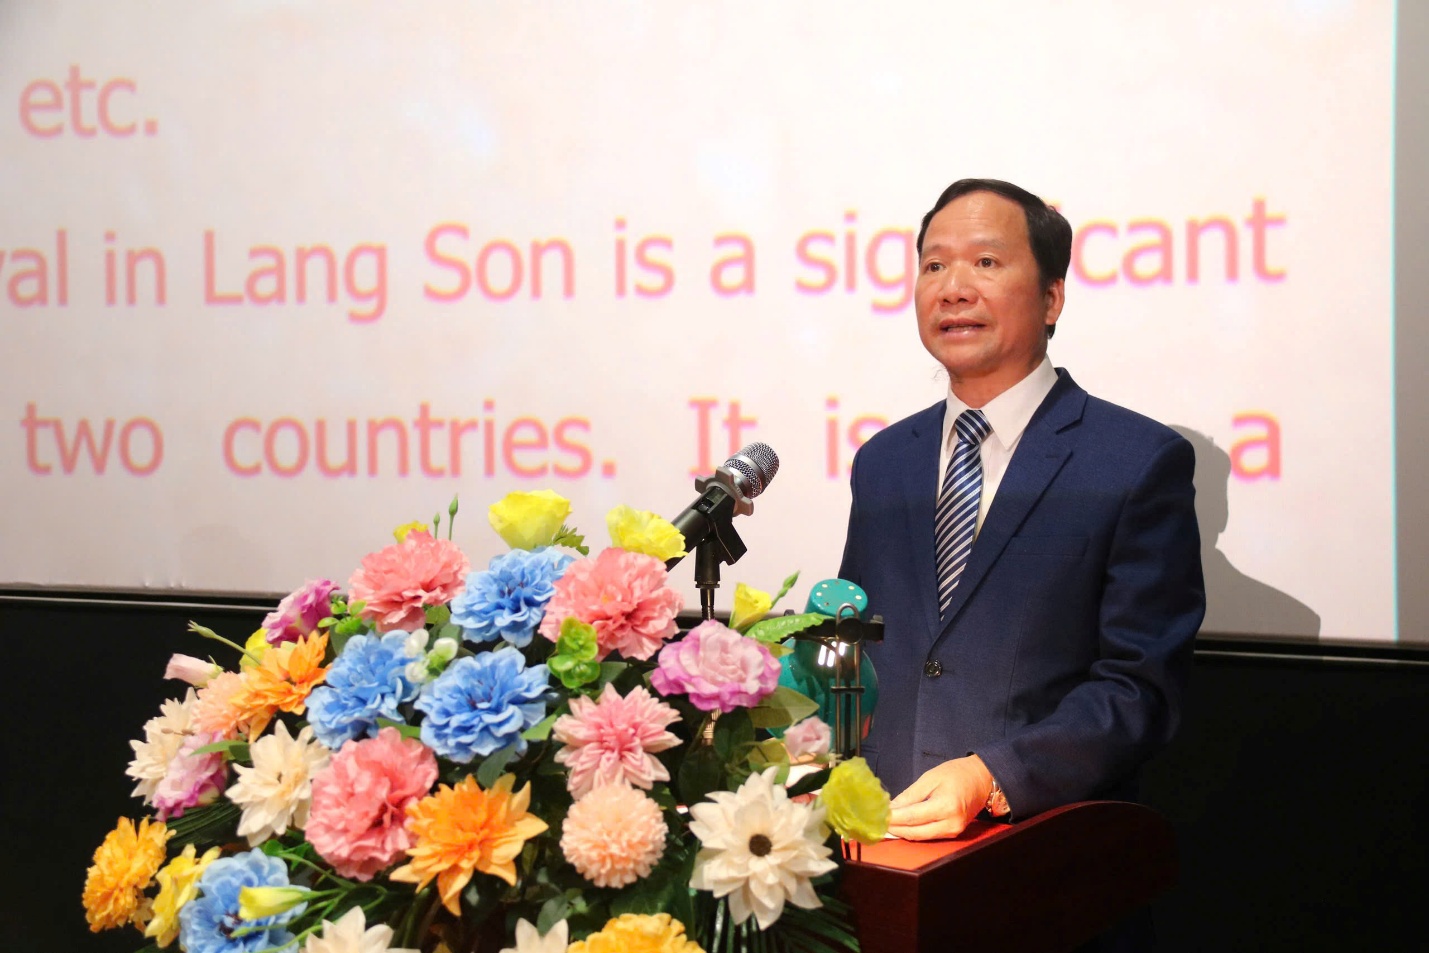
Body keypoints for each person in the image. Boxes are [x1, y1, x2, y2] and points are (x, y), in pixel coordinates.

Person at [838, 178, 1205, 843]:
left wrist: (993, 775)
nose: (953, 288)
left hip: (1038, 851)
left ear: (1052, 297)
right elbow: (862, 650)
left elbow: (1139, 688)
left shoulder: (1134, 462)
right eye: (933, 265)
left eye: (985, 261)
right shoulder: (884, 461)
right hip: (884, 846)